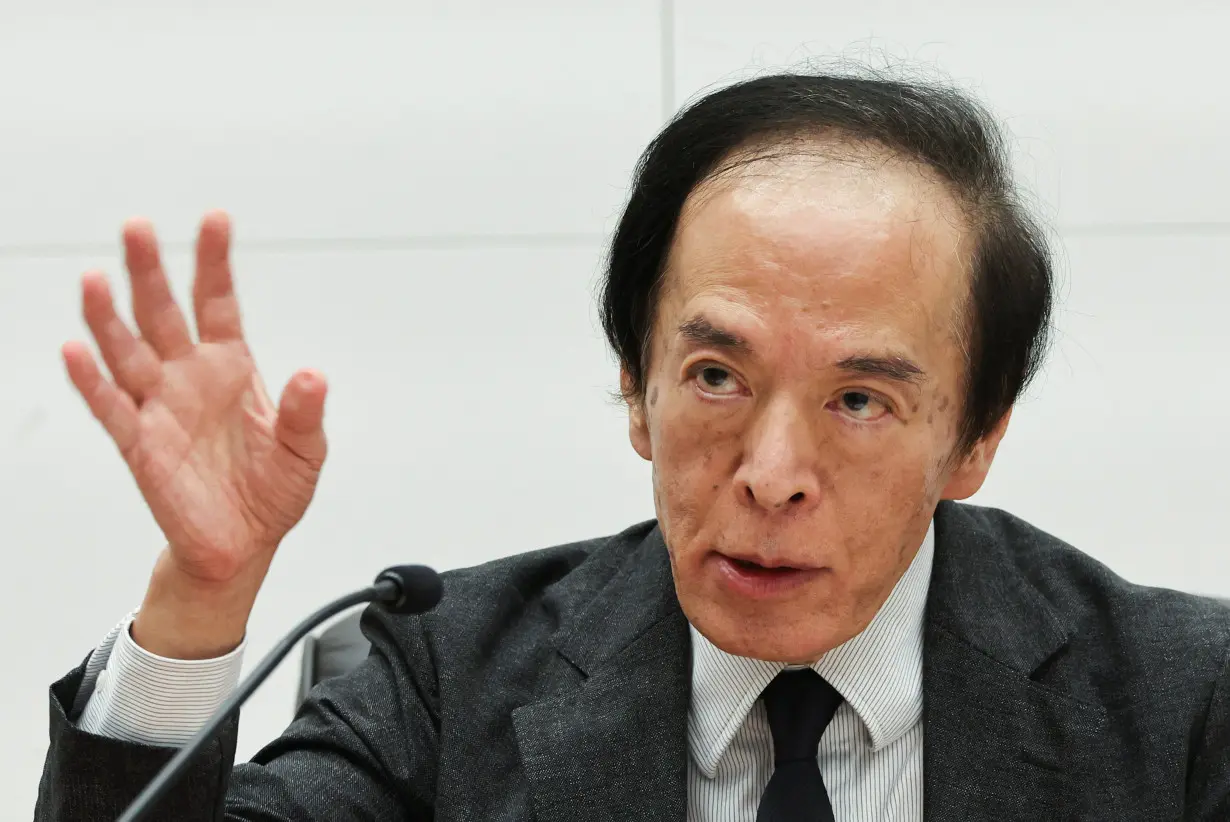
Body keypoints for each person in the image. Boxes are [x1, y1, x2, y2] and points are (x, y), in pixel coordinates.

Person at [33, 71, 1230, 822]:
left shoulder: (1185, 703)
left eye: (860, 400)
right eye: (716, 377)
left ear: (975, 438)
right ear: (636, 391)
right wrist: (200, 596)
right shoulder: (446, 675)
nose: (771, 474)